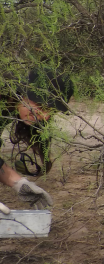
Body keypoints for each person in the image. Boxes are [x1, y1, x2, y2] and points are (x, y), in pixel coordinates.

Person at [0, 68, 73, 215]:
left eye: (50, 111)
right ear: (23, 92)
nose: (44, 116)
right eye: (41, 106)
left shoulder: (9, 107)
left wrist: (19, 183)